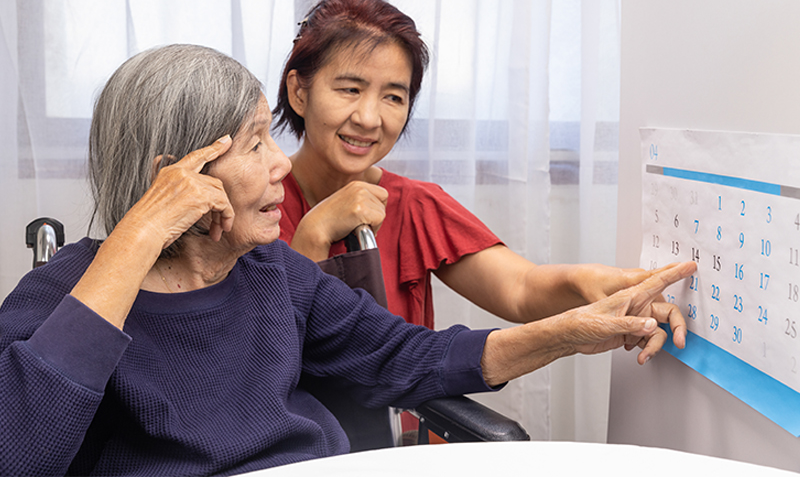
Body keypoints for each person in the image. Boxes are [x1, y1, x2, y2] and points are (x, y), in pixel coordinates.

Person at [0, 43, 694, 477]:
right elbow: (18, 456)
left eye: (271, 138)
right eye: (252, 145)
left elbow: (416, 358)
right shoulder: (55, 299)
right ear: (176, 180)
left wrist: (575, 331)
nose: (280, 166)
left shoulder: (274, 275)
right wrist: (134, 241)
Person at [274, 0, 686, 347]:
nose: (369, 118)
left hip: (400, 430)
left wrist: (593, 285)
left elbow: (520, 289)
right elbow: (263, 353)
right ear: (299, 91)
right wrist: (314, 233)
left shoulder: (416, 205)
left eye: (394, 97)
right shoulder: (254, 206)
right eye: (350, 89)